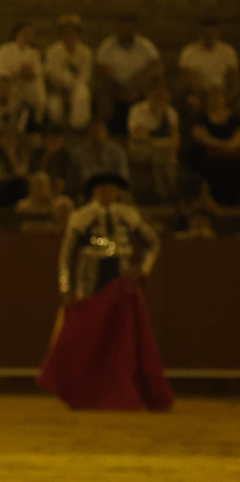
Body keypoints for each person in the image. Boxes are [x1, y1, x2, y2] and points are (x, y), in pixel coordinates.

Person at [40, 171, 171, 411]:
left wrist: (143, 269)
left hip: (120, 279)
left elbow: (153, 242)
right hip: (90, 280)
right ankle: (82, 392)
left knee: (120, 340)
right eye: (103, 189)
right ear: (95, 192)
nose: (108, 193)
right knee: (85, 337)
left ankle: (115, 388)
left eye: (112, 189)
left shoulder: (128, 215)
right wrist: (66, 287)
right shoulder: (81, 217)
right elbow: (66, 256)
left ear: (118, 192)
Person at [94, 15, 161, 133]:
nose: (126, 30)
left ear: (135, 28)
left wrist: (136, 84)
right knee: (103, 92)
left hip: (139, 88)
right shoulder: (107, 46)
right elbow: (103, 71)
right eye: (122, 26)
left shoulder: (145, 46)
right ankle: (108, 132)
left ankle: (149, 131)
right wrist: (120, 87)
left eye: (129, 26)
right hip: (116, 89)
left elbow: (155, 66)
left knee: (156, 86)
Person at [187, 86, 240, 209]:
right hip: (209, 153)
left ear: (224, 99)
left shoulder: (235, 118)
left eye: (218, 97)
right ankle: (208, 199)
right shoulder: (202, 118)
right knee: (200, 158)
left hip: (231, 153)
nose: (215, 100)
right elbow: (200, 135)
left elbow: (238, 138)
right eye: (212, 97)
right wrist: (220, 145)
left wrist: (229, 146)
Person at [126, 81, 180, 202]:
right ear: (149, 95)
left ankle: (170, 193)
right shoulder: (137, 110)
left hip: (164, 148)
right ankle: (162, 196)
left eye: (162, 96)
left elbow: (175, 135)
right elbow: (137, 134)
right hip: (141, 147)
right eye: (156, 95)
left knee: (168, 158)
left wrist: (171, 146)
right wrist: (155, 143)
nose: (159, 98)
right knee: (159, 157)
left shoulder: (170, 112)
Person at [0, 22, 45, 124]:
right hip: (7, 86)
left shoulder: (34, 53)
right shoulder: (5, 50)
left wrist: (26, 73)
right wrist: (18, 72)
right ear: (19, 34)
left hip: (25, 88)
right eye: (26, 33)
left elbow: (36, 73)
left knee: (36, 88)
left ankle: (35, 120)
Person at [43, 14, 94, 132]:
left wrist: (72, 87)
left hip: (76, 89)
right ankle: (58, 131)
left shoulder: (86, 53)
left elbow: (85, 77)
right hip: (57, 90)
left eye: (73, 32)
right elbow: (49, 75)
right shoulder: (53, 51)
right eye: (66, 32)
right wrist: (60, 88)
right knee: (54, 106)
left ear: (78, 34)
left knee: (82, 94)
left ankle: (77, 129)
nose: (70, 36)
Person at [178, 18, 239, 105]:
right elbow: (186, 78)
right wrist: (201, 95)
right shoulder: (189, 52)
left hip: (222, 93)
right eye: (205, 33)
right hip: (199, 94)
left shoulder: (228, 51)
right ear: (200, 34)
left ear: (218, 33)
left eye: (212, 33)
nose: (209, 36)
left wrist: (225, 98)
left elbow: (234, 78)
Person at [72, 118, 131, 200]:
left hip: (115, 189)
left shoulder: (117, 151)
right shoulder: (80, 153)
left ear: (106, 132)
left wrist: (112, 189)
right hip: (90, 191)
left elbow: (123, 174)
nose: (97, 135)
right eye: (94, 132)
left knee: (125, 197)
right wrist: (99, 190)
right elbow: (83, 177)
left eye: (100, 132)